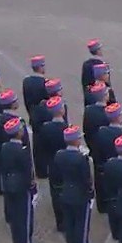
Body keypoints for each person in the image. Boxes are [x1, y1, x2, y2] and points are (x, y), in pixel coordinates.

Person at [52, 125, 96, 243]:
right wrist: (90, 193)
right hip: (80, 195)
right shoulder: (81, 158)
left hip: (65, 193)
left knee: (69, 225)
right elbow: (86, 179)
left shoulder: (59, 155)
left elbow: (56, 176)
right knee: (81, 225)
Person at [0, 117, 39, 243]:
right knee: (24, 215)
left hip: (8, 183)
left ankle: (17, 241)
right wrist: (32, 186)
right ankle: (25, 242)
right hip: (21, 185)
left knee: (15, 215)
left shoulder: (4, 147)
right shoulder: (22, 150)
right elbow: (27, 170)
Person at [37, 96, 69, 231]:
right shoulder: (66, 128)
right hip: (66, 164)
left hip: (52, 163)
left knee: (55, 192)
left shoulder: (45, 128)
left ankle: (60, 221)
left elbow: (41, 147)